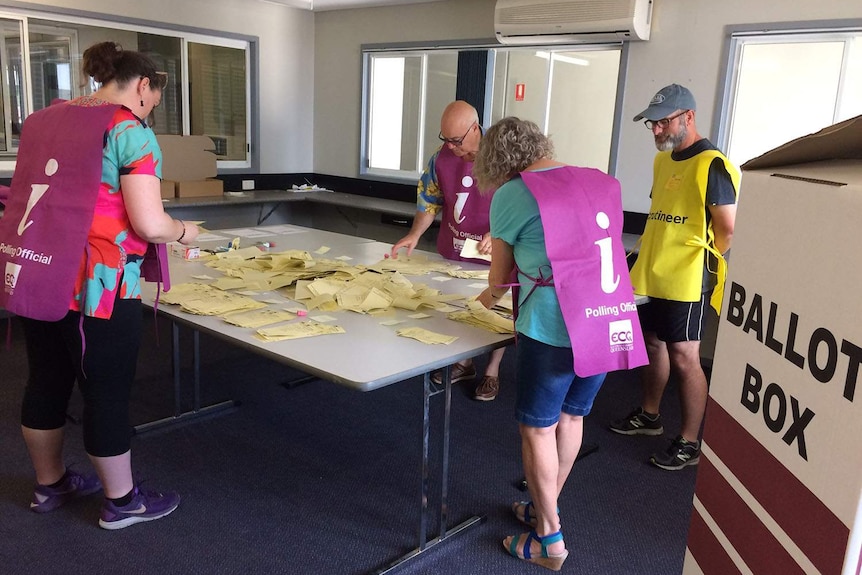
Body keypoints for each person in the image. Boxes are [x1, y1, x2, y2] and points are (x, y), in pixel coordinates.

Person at [0, 42, 199, 528]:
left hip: (37, 272)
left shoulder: (43, 120)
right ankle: (123, 502)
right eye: (152, 99)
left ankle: (50, 486)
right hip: (97, 284)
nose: (149, 108)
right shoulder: (128, 130)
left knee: (45, 381)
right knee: (105, 394)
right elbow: (150, 225)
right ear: (143, 84)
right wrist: (186, 231)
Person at [473, 117, 646, 571]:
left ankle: (549, 539)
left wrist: (487, 296)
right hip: (607, 319)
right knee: (573, 416)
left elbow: (500, 277)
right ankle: (541, 508)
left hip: (553, 327)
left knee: (537, 427)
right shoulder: (600, 182)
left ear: (500, 159)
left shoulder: (514, 194)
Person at [609, 84, 740, 471]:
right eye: (652, 124)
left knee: (685, 357)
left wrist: (694, 259)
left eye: (664, 123)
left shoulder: (713, 164)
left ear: (688, 118)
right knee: (652, 344)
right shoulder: (663, 162)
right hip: (652, 271)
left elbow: (727, 229)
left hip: (688, 277)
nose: (657, 131)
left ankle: (688, 441)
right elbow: (662, 213)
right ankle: (650, 415)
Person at [390, 100, 505, 401]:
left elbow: (525, 201)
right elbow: (429, 198)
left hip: (494, 250)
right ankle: (463, 362)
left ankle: (492, 372)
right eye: (446, 140)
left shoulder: (504, 154)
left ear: (475, 129)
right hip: (454, 247)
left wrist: (501, 232)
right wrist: (415, 234)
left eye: (457, 141)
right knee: (458, 306)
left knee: (497, 310)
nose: (452, 147)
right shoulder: (440, 158)